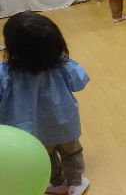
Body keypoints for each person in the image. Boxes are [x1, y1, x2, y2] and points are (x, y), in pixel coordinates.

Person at [0, 12, 90, 195]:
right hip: (65, 124)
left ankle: (57, 183)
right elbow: (80, 81)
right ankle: (75, 183)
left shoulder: (5, 73)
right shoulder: (63, 65)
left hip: (30, 130)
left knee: (45, 156)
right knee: (72, 153)